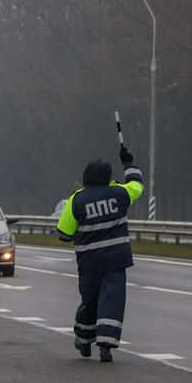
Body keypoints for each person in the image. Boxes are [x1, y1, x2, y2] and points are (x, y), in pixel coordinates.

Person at [56, 146, 144, 362]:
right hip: (115, 261)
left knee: (90, 301)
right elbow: (138, 186)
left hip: (89, 263)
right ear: (107, 176)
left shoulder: (77, 199)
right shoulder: (120, 194)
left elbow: (63, 233)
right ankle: (106, 346)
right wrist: (129, 164)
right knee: (111, 301)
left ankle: (84, 340)